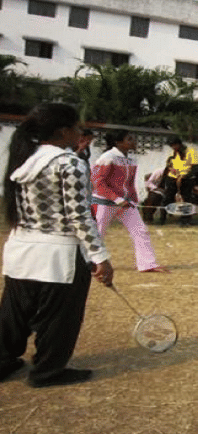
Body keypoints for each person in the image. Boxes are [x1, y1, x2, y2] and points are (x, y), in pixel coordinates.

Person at [0, 103, 113, 388]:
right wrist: (100, 256)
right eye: (77, 128)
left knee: (14, 313)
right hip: (59, 255)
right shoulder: (69, 163)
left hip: (21, 249)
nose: (80, 133)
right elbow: (79, 215)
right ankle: (47, 371)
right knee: (59, 317)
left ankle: (3, 360)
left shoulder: (24, 158)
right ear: (63, 131)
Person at [91, 131, 167, 273]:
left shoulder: (131, 160)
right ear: (118, 142)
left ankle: (147, 264)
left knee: (141, 231)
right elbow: (97, 182)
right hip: (104, 203)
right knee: (97, 233)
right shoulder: (107, 158)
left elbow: (130, 184)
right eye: (130, 139)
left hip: (126, 203)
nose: (134, 141)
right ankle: (91, 263)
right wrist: (117, 199)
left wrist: (134, 201)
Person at [161, 136, 198, 226]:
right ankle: (162, 218)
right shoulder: (172, 152)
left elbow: (195, 167)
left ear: (179, 144)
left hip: (186, 179)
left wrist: (184, 176)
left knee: (186, 199)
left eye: (174, 145)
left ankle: (185, 220)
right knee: (167, 198)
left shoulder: (191, 151)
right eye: (171, 146)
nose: (173, 147)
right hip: (172, 178)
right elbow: (169, 164)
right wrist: (171, 170)